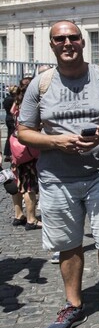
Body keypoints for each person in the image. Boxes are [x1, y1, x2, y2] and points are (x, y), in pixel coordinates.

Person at [17, 20, 99, 328]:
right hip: (57, 177)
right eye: (60, 39)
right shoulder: (40, 84)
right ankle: (74, 304)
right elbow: (24, 130)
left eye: (73, 37)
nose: (67, 42)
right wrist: (56, 142)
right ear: (52, 45)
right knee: (68, 244)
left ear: (83, 42)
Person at [10, 77, 41, 230]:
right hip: (27, 149)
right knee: (29, 184)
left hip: (15, 145)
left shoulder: (16, 103)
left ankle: (18, 214)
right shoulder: (31, 105)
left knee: (17, 180)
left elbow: (12, 117)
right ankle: (31, 219)